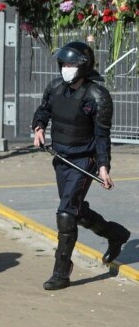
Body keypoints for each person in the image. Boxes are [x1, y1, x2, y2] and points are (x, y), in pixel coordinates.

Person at [32, 41, 131, 290]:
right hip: (61, 158)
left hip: (83, 161)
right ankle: (115, 234)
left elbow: (102, 135)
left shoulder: (97, 96)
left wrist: (103, 167)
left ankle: (61, 272)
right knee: (75, 211)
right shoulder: (55, 87)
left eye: (71, 64)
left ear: (83, 67)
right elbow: (42, 111)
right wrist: (39, 128)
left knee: (66, 215)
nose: (66, 68)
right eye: (63, 64)